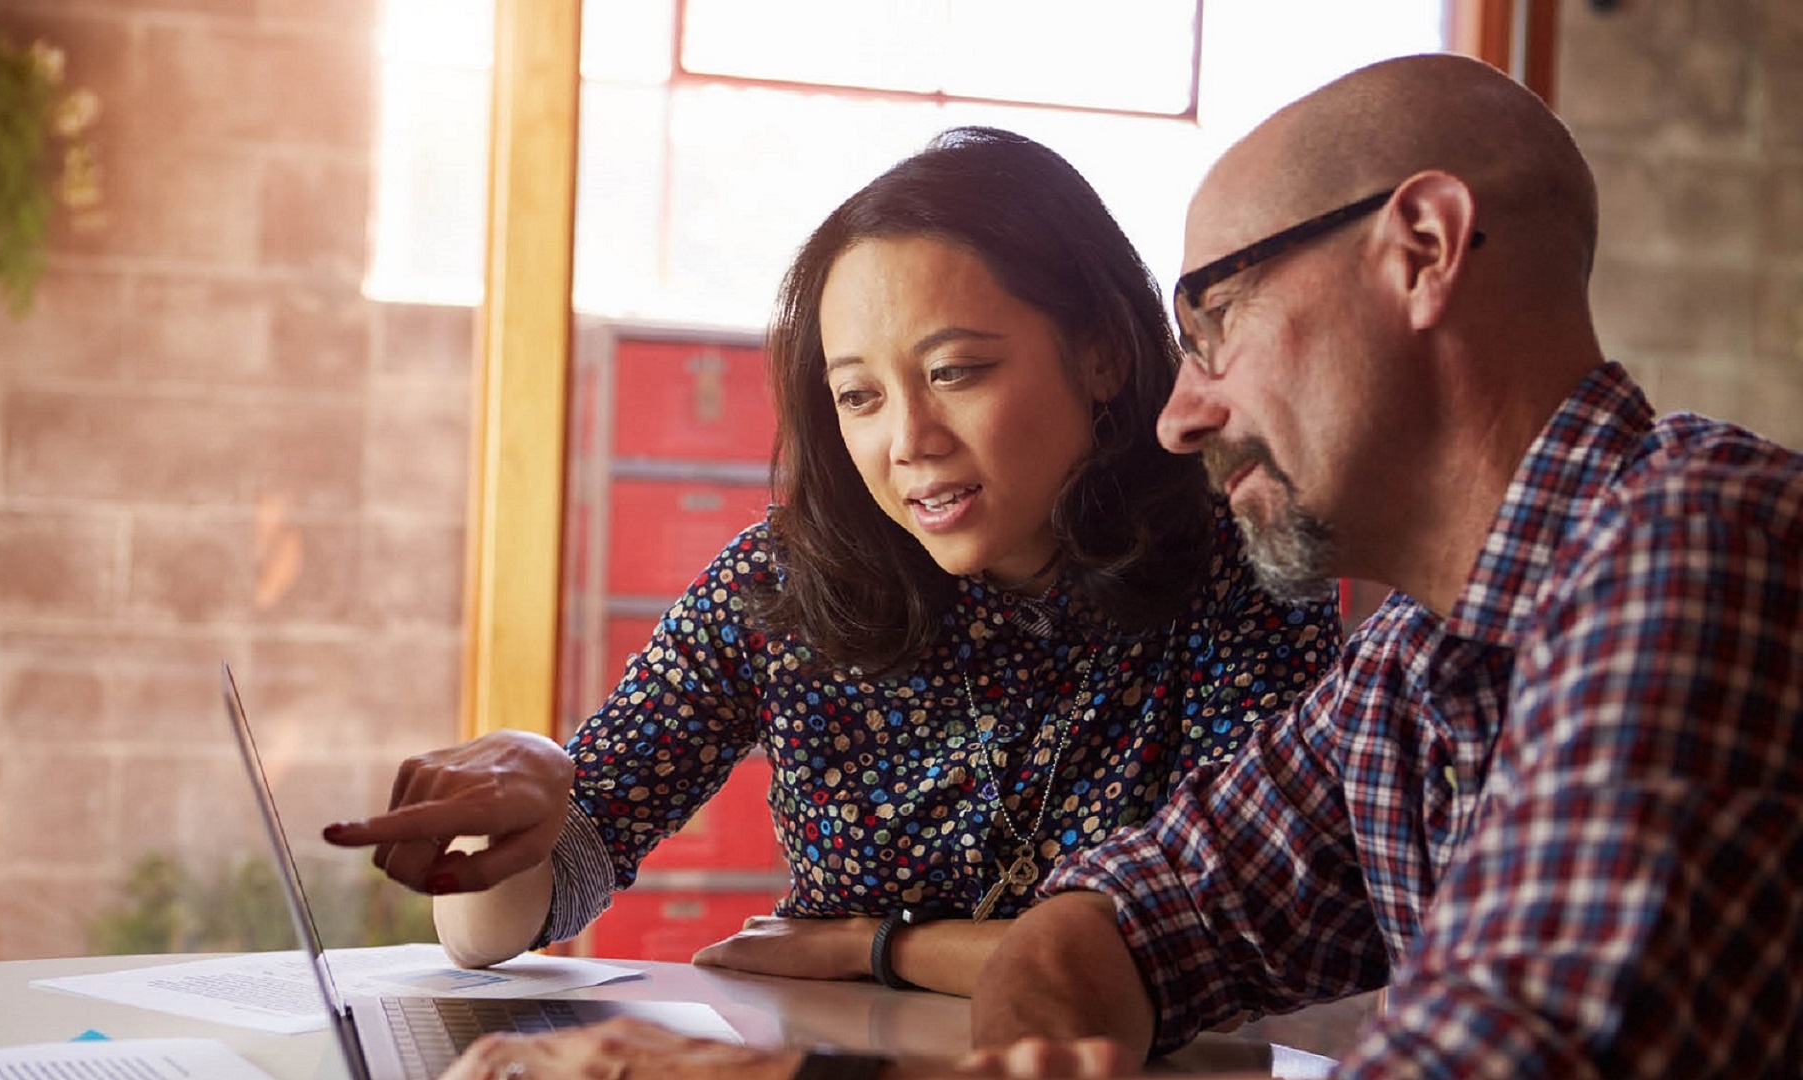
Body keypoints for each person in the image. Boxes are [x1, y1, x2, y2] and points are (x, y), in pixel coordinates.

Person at [430, 52, 1803, 1080]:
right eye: (857, 396)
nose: (1181, 407)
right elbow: (1115, 931)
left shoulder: (1689, 546)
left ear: (1424, 252)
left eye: (1214, 321)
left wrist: (808, 1067)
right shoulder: (1410, 669)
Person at [323, 126, 1340, 997]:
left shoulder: (1236, 564)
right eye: (861, 395)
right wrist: (532, 796)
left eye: (955, 372)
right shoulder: (784, 582)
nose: (910, 441)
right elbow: (505, 926)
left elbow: (1241, 935)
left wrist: (881, 949)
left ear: (1102, 354)